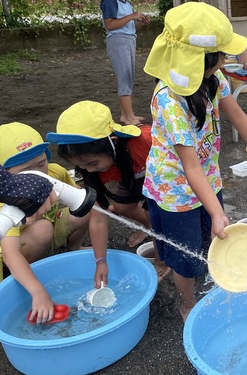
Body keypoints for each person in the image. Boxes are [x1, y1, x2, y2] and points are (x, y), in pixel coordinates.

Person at [142, 2, 247, 321]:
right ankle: (187, 301)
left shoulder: (213, 79)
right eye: (221, 55)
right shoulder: (169, 100)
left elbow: (237, 115)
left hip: (207, 183)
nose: (226, 59)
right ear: (198, 61)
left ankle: (201, 276)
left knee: (208, 241)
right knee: (186, 258)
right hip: (175, 194)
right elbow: (189, 166)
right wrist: (218, 211)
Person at [0, 122, 109, 323]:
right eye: (26, 170)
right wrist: (39, 292)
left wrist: (100, 259)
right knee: (41, 229)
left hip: (52, 227)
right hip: (28, 243)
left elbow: (82, 201)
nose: (39, 174)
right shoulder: (6, 199)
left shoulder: (55, 173)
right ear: (4, 175)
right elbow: (10, 253)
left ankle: (73, 249)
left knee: (83, 211)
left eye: (41, 163)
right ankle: (31, 273)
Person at [47, 100, 171, 281]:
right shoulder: (92, 168)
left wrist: (160, 262)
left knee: (155, 215)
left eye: (92, 163)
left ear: (112, 143)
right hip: (133, 178)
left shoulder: (146, 141)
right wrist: (101, 261)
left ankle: (159, 239)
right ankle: (149, 227)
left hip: (162, 177)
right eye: (81, 166)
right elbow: (98, 219)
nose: (88, 170)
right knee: (120, 208)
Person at [100, 0, 150, 126]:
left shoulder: (126, 3)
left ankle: (126, 115)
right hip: (118, 41)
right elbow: (110, 25)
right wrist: (131, 16)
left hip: (128, 40)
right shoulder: (109, 0)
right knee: (125, 76)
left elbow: (130, 27)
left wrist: (140, 22)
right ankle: (129, 117)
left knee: (128, 76)